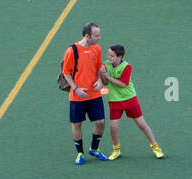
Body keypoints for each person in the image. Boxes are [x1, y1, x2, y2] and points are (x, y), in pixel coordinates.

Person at [101, 44, 164, 160]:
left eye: (112, 56)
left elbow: (123, 84)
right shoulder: (106, 65)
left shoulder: (127, 67)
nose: (109, 58)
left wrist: (107, 76)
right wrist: (101, 73)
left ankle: (155, 147)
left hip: (129, 99)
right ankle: (116, 150)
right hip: (114, 101)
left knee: (141, 124)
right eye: (108, 55)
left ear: (120, 57)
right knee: (113, 127)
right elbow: (105, 83)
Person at [65, 22, 110, 165]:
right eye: (96, 36)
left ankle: (94, 149)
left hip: (94, 94)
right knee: (76, 123)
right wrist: (76, 88)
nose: (99, 38)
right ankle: (80, 153)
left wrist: (100, 82)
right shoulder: (72, 51)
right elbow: (66, 73)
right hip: (78, 95)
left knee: (101, 122)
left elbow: (98, 68)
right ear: (87, 36)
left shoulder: (97, 49)